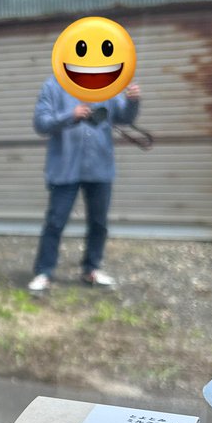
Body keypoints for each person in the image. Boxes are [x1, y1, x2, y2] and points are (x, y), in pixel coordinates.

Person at [28, 76, 141, 292]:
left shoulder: (107, 85)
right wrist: (70, 115)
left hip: (100, 167)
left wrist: (133, 101)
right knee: (55, 222)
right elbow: (40, 123)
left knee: (99, 223)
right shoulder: (53, 86)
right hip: (64, 168)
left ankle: (92, 270)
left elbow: (124, 118)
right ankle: (44, 272)